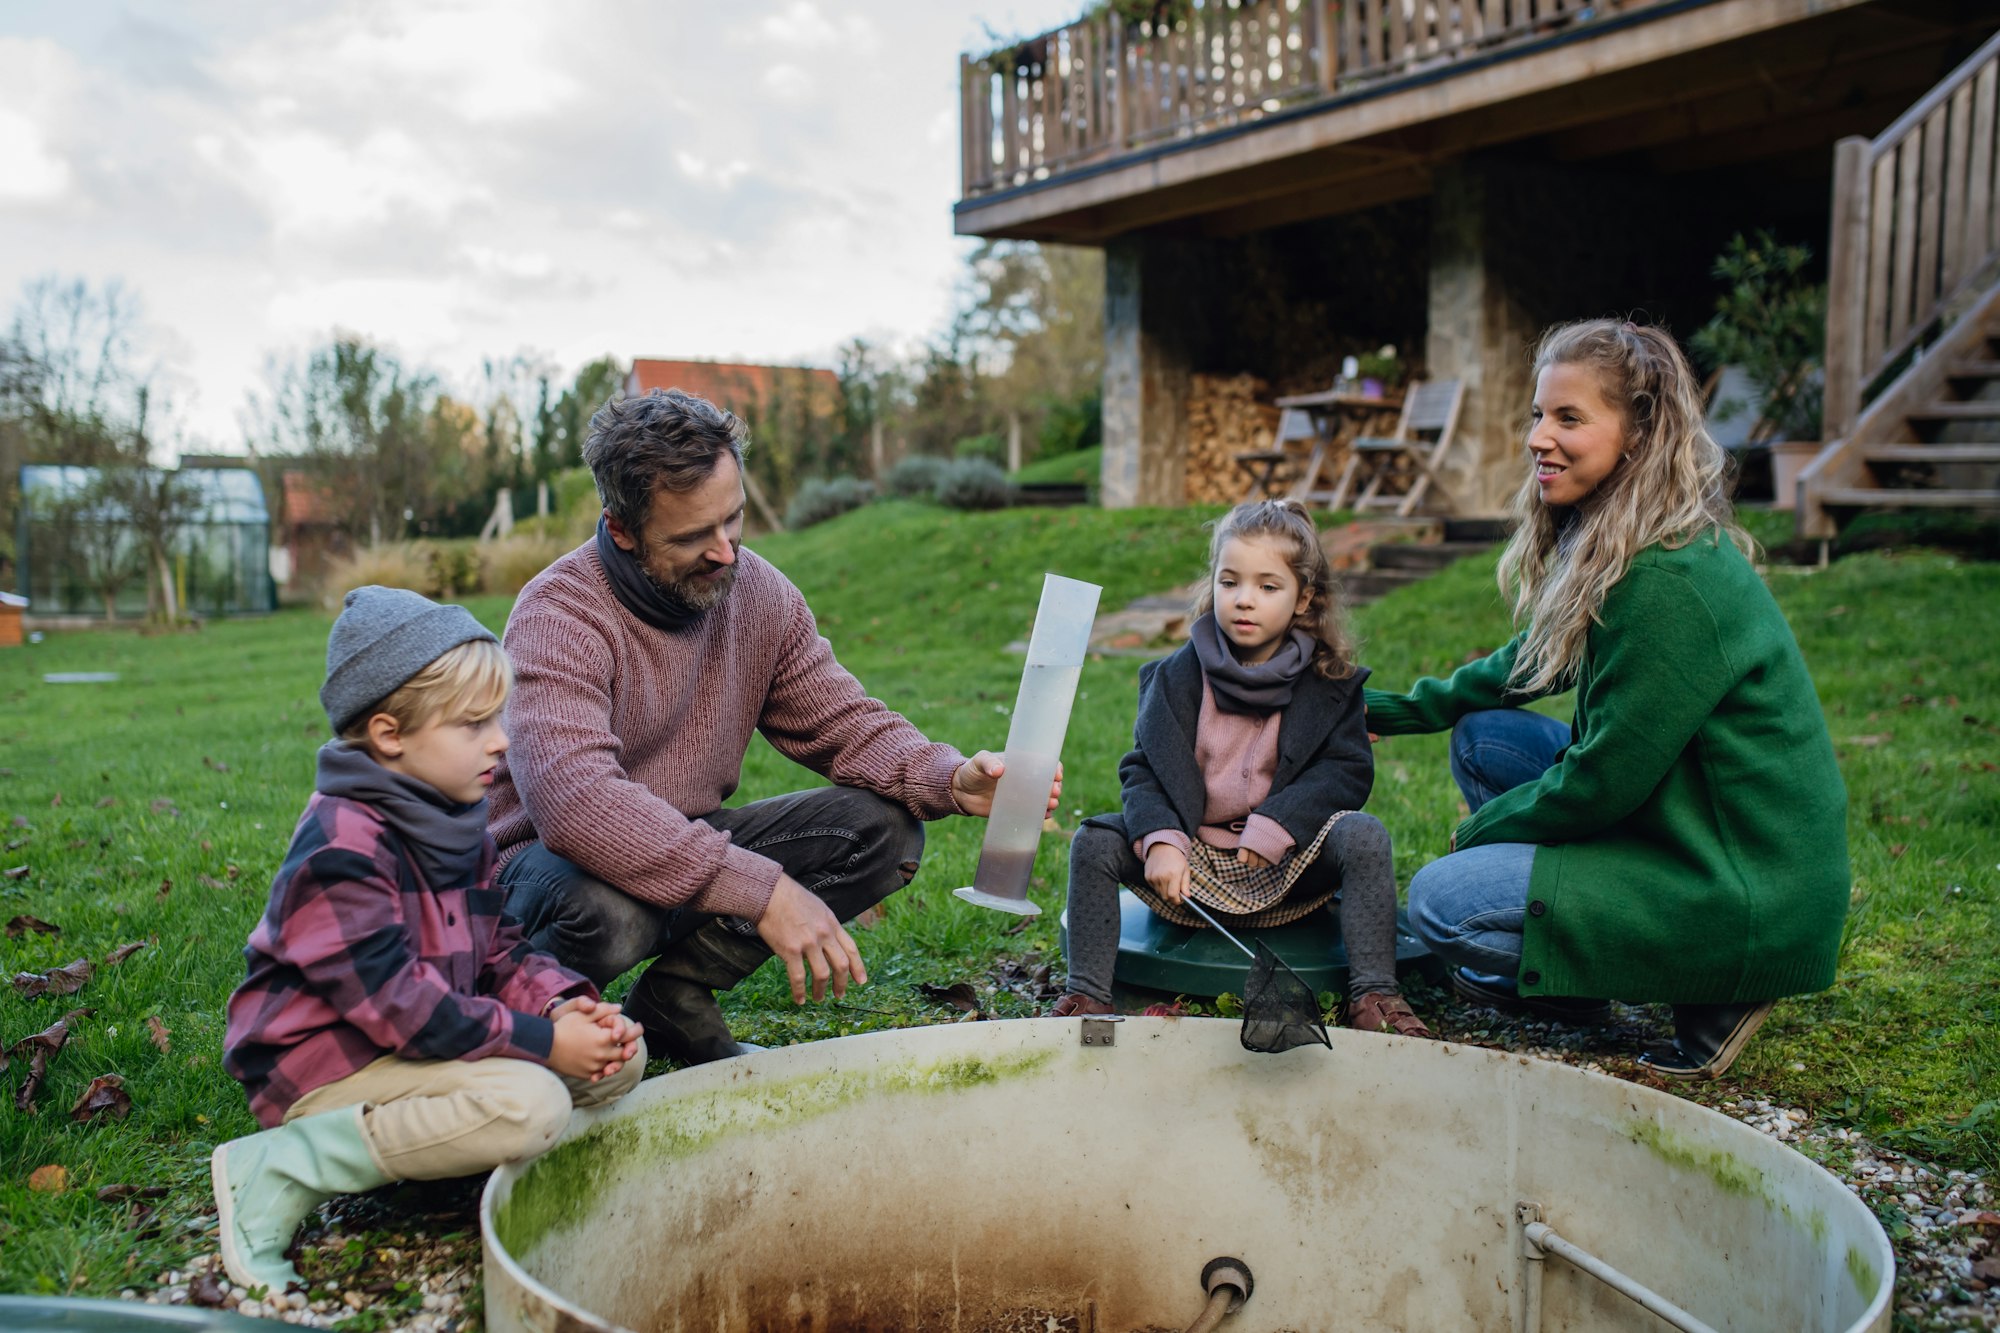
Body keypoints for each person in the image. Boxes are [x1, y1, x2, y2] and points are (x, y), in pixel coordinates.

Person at [490, 388, 1053, 1065]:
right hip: (545, 875)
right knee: (612, 907)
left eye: (733, 520)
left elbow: (843, 722)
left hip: (684, 847)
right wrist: (763, 890)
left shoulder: (758, 593)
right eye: (693, 536)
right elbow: (578, 807)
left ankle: (676, 999)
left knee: (884, 831)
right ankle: (536, 1032)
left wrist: (951, 778)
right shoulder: (558, 614)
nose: (726, 552)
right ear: (622, 530)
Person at [1365, 319, 1850, 1079]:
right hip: (1686, 824)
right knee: (1486, 739)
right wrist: (1386, 711)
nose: (1538, 437)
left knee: (1439, 900)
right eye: (1537, 414)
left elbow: (1600, 784)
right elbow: (1533, 661)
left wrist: (1478, 833)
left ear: (1638, 433)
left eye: (1568, 418)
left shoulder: (1668, 579)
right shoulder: (1625, 539)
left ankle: (1721, 990)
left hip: (1742, 881)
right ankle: (1568, 989)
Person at [216, 587, 643, 1293]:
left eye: (497, 716)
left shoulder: (453, 812)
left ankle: (486, 1166)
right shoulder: (341, 845)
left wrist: (564, 1006)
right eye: (474, 723)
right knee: (532, 1101)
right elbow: (406, 1008)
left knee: (621, 1057)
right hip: (336, 1069)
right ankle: (279, 1167)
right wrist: (540, 1043)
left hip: (422, 1044)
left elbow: (497, 946)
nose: (500, 740)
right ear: (390, 734)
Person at [1054, 499, 1430, 1037]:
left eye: (1267, 586)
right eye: (1229, 582)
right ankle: (1087, 994)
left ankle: (1374, 995)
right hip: (1191, 863)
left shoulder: (1330, 684)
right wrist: (1162, 839)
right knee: (1094, 841)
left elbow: (1345, 770)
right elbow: (1143, 768)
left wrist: (1280, 823)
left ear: (1305, 599)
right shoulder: (1176, 678)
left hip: (1285, 861)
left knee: (1364, 836)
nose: (1244, 600)